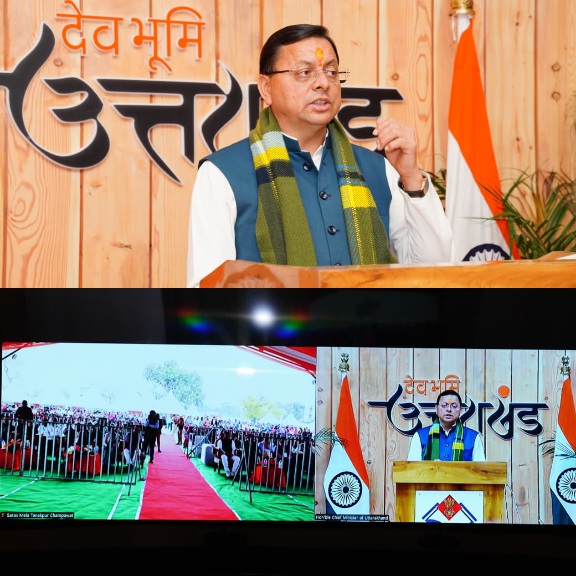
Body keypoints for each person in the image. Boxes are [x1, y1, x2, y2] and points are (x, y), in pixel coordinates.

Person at [187, 23, 453, 287]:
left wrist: (411, 176)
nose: (323, 83)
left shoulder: (377, 168)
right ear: (266, 88)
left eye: (331, 72)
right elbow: (207, 286)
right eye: (304, 72)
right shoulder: (222, 173)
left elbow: (432, 270)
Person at [407, 390, 486, 461]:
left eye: (454, 406)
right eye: (444, 405)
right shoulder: (420, 436)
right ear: (436, 409)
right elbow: (412, 469)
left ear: (460, 410)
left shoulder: (473, 437)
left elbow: (480, 470)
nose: (449, 409)